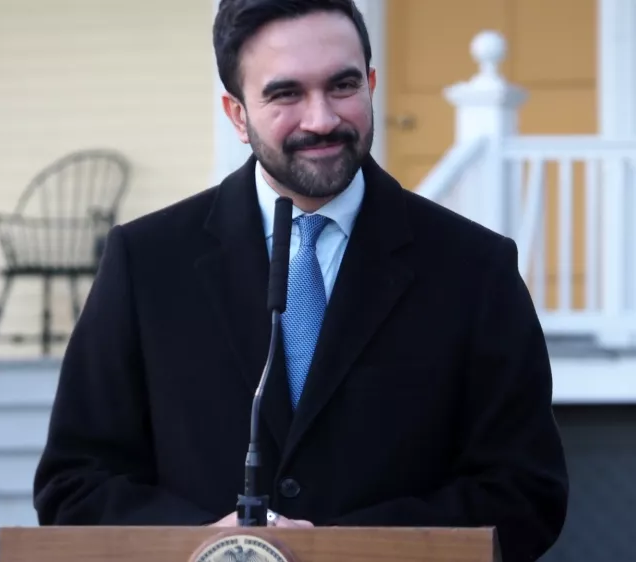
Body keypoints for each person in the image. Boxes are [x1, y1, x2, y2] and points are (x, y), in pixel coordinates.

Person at [32, 0, 569, 560]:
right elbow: (74, 485)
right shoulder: (145, 263)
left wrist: (338, 550)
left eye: (343, 85)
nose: (321, 119)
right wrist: (210, 546)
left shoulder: (475, 268)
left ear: (371, 85)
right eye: (286, 93)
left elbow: (524, 493)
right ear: (237, 114)